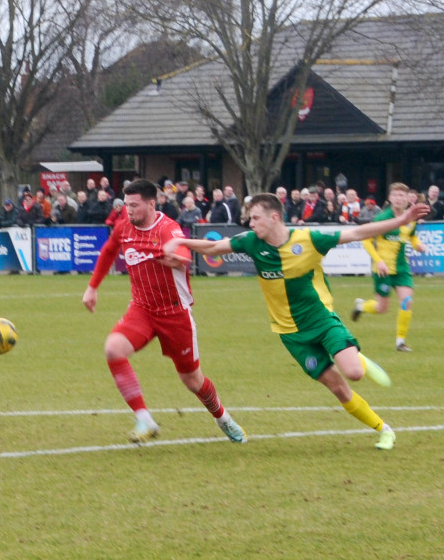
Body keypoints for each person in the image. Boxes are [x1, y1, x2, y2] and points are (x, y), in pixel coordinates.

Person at [165, 193, 430, 450]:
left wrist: (402, 219)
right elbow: (213, 247)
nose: (251, 223)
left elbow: (359, 233)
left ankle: (358, 360)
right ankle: (384, 429)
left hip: (322, 320)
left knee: (354, 373)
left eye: (256, 218)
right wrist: (181, 243)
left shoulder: (309, 239)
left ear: (274, 217)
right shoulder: (250, 242)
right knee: (338, 388)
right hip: (291, 334)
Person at [82, 179, 247, 444]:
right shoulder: (124, 227)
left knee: (193, 381)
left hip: (175, 315)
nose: (129, 211)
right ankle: (144, 419)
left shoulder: (169, 228)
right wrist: (92, 287)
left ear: (151, 203)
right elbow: (110, 249)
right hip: (142, 309)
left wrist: (173, 258)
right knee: (113, 349)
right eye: (127, 205)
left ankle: (222, 417)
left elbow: (182, 253)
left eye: (134, 205)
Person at [351, 183, 426, 352]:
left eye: (402, 196)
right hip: (383, 270)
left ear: (408, 198)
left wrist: (418, 245)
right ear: (390, 198)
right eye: (396, 195)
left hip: (402, 269)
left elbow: (412, 238)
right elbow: (367, 240)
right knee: (381, 308)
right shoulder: (381, 219)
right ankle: (361, 306)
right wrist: (378, 260)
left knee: (407, 301)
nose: (399, 199)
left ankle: (400, 342)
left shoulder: (410, 219)